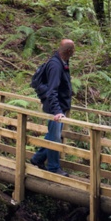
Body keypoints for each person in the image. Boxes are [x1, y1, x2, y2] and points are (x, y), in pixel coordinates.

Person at [30, 38, 75, 176]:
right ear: (69, 51)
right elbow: (52, 90)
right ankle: (54, 168)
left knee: (52, 135)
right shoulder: (56, 65)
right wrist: (57, 111)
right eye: (73, 49)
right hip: (56, 109)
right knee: (55, 138)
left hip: (59, 107)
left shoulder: (63, 62)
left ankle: (37, 159)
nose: (74, 52)